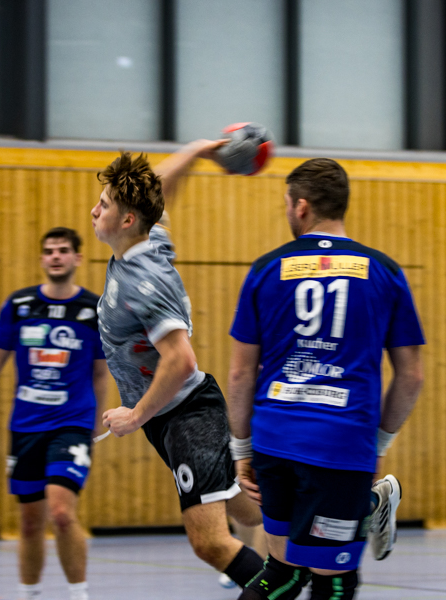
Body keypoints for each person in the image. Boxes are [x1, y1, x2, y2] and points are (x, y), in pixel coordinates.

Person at [227, 158, 426, 600]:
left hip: (273, 440)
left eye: (286, 204)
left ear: (301, 207)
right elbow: (411, 376)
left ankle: (367, 505)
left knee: (281, 572)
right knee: (332, 581)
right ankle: (368, 503)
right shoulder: (385, 271)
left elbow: (240, 373)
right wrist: (378, 444)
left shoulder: (265, 269)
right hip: (343, 446)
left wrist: (241, 449)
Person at [91, 145, 266, 589]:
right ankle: (347, 506)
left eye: (104, 205)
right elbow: (160, 189)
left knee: (210, 543)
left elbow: (180, 359)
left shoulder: (143, 280)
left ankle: (284, 583)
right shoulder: (146, 240)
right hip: (171, 419)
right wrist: (200, 149)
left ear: (127, 220)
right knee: (252, 511)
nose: (94, 210)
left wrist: (135, 415)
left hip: (188, 417)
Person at [0, 227, 108, 600]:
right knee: (29, 521)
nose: (56, 256)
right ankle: (29, 593)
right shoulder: (20, 304)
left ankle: (79, 595)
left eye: (63, 250)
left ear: (77, 258)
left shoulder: (93, 310)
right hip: (25, 426)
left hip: (71, 424)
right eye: (49, 251)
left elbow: (101, 373)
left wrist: (94, 426)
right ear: (41, 259)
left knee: (61, 513)